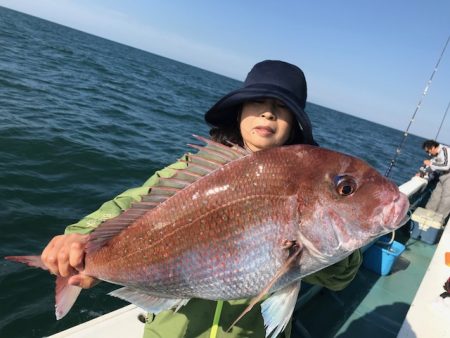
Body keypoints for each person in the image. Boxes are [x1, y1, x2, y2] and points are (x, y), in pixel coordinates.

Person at [40, 60, 362, 338]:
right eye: (257, 102)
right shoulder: (192, 170)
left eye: (282, 107)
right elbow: (134, 203)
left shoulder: (306, 188)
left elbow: (339, 277)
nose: (268, 112)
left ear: (294, 123)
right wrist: (80, 237)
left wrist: (334, 237)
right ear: (239, 112)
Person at [422, 139, 450, 219]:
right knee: (435, 196)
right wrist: (424, 172)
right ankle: (427, 215)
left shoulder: (445, 150)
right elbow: (433, 166)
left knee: (446, 199)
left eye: (428, 151)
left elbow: (446, 165)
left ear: (433, 147)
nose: (429, 154)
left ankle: (438, 219)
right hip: (442, 177)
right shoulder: (436, 155)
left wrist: (430, 163)